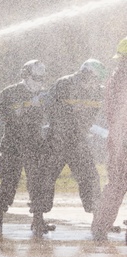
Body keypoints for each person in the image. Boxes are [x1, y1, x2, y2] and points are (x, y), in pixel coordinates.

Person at [32, 59, 106, 236]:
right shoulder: (64, 83)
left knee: (90, 178)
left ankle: (99, 220)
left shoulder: (97, 91)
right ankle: (37, 220)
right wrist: (70, 110)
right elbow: (48, 106)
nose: (94, 84)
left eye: (97, 82)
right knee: (45, 179)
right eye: (93, 80)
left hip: (78, 141)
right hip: (56, 140)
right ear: (86, 74)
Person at [0, 60, 47, 233]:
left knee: (37, 183)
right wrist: (13, 113)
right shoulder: (11, 92)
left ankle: (38, 221)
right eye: (36, 76)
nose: (38, 80)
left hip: (35, 144)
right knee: (8, 181)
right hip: (12, 144)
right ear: (26, 75)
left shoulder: (45, 94)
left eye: (41, 77)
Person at [93, 40, 127, 241]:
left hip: (118, 139)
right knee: (117, 184)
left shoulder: (116, 77)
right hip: (123, 139)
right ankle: (100, 226)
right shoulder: (122, 79)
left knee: (115, 184)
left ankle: (100, 227)